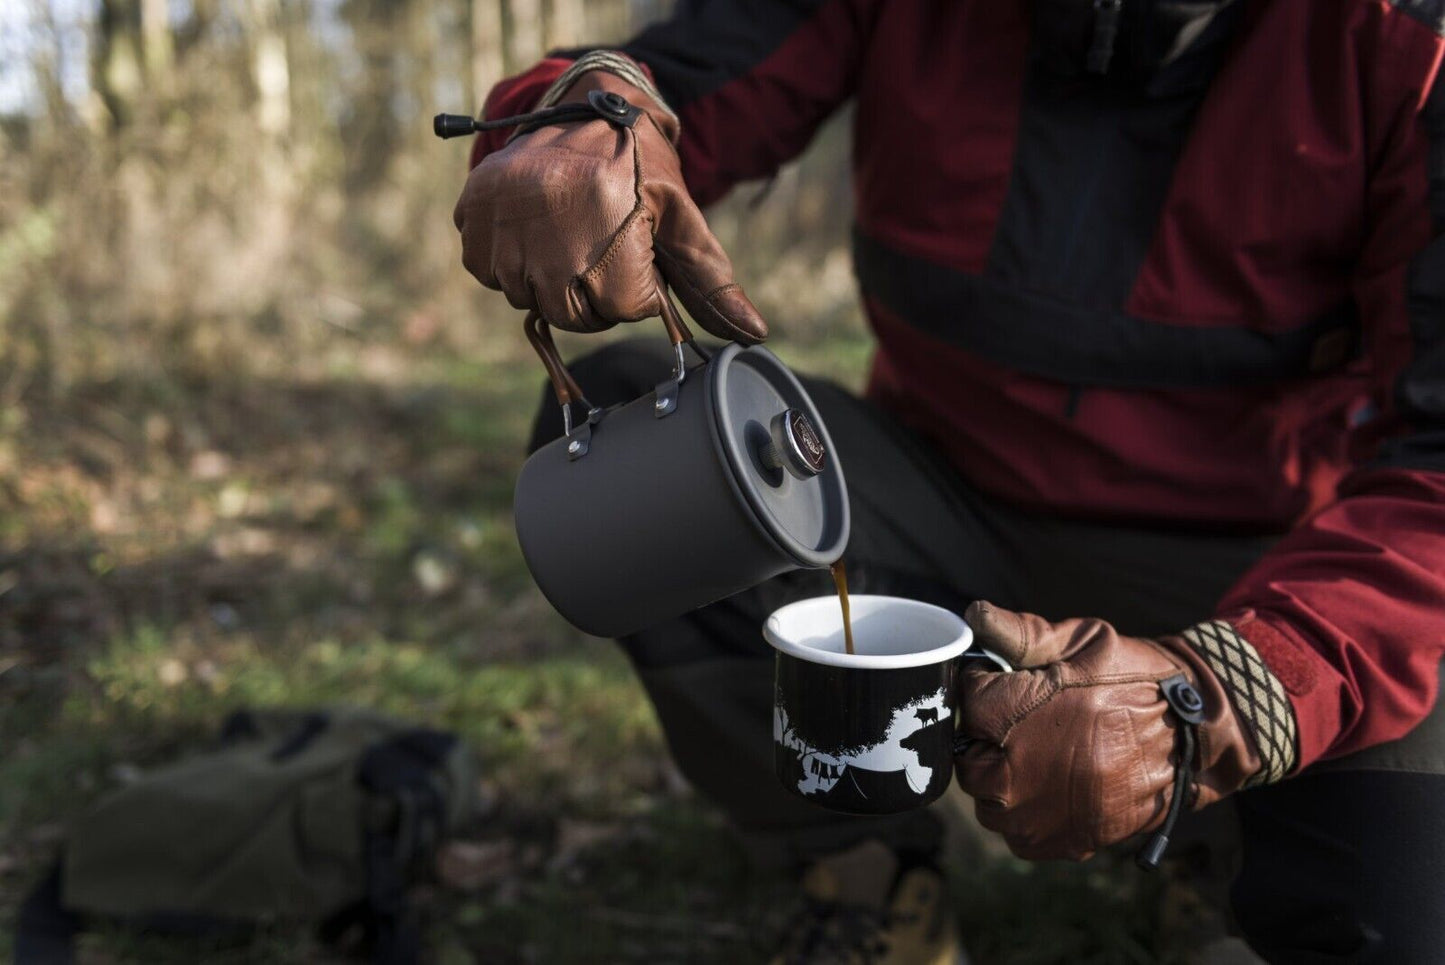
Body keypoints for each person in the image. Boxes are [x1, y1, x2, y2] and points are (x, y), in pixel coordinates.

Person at [451, 0, 1445, 961]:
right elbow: (687, 73)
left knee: (1400, 918)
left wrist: (1228, 695)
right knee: (642, 437)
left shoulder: (1406, 42)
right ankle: (865, 864)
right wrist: (587, 122)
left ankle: (1211, 848)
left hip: (1266, 570)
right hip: (943, 511)